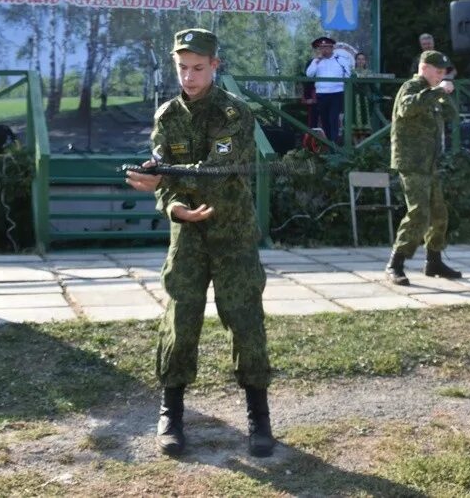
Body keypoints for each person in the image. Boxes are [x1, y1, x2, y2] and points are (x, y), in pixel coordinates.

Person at [139, 28, 274, 458]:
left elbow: (217, 168)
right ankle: (171, 413)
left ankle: (259, 417)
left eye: (198, 68)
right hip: (189, 236)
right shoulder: (166, 116)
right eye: (182, 68)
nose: (189, 77)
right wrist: (172, 206)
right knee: (180, 322)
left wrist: (162, 177)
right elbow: (163, 174)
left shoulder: (234, 114)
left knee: (245, 320)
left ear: (215, 66)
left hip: (232, 233)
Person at [384, 50, 462, 286]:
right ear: (424, 68)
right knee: (419, 212)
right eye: (437, 71)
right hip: (411, 162)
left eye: (443, 73)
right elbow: (407, 108)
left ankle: (433, 261)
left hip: (429, 163)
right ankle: (395, 264)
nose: (440, 76)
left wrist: (444, 95)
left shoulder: (432, 94)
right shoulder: (411, 87)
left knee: (439, 213)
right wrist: (437, 90)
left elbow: (452, 115)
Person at [304, 36, 351, 146]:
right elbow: (309, 74)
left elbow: (348, 75)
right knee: (325, 119)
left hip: (337, 93)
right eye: (321, 48)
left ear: (332, 48)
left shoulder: (340, 60)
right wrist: (317, 61)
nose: (323, 50)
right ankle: (330, 143)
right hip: (322, 94)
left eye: (326, 47)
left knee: (333, 118)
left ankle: (334, 142)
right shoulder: (315, 61)